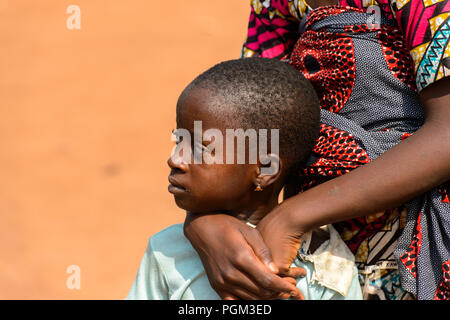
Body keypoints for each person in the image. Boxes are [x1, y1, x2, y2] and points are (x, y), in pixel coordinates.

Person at [183, 1, 450, 300]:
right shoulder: (273, 5)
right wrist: (204, 223)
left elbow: (447, 136)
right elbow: (247, 124)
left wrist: (291, 217)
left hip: (419, 252)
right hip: (314, 258)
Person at [125, 58, 363, 300]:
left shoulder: (327, 268)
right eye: (179, 141)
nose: (175, 159)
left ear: (265, 169)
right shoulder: (167, 251)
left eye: (199, 148)